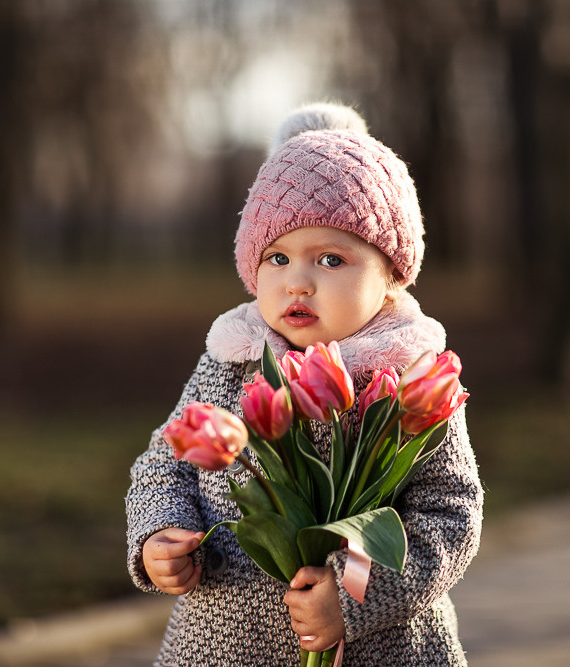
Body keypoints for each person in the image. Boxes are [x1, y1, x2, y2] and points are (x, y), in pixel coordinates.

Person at [125, 103, 484, 666]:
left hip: (383, 646)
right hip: (225, 642)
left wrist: (353, 597)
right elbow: (165, 461)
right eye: (278, 257)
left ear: (390, 274)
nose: (298, 281)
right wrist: (159, 536)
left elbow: (449, 512)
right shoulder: (235, 357)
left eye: (331, 259)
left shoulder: (411, 373)